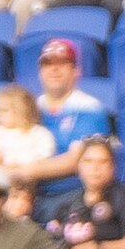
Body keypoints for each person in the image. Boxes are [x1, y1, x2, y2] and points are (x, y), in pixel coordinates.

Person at [20, 40, 112, 212]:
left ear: (76, 70)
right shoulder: (30, 109)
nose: (54, 69)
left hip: (75, 196)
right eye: (48, 64)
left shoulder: (90, 108)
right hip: (30, 195)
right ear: (40, 72)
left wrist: (19, 172)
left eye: (62, 63)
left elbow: (74, 161)